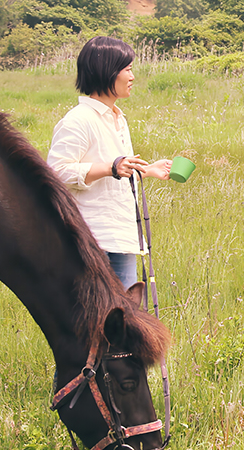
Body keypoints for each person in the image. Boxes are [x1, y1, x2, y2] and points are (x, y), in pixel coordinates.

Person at [47, 36, 172, 289]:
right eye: (127, 69)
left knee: (126, 317)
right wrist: (110, 168)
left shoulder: (118, 119)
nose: (132, 76)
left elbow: (116, 174)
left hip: (121, 234)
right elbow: (56, 173)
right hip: (90, 238)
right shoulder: (79, 120)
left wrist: (147, 171)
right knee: (94, 317)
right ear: (107, 72)